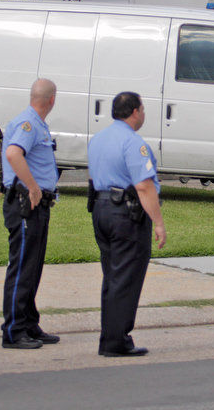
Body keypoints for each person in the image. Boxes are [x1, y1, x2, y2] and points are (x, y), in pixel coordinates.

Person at [87, 91, 166, 357]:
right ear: (134, 112)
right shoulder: (134, 143)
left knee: (112, 276)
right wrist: (158, 222)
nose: (143, 114)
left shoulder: (98, 139)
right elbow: (144, 186)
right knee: (126, 278)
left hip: (100, 209)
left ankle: (110, 336)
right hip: (126, 215)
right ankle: (116, 341)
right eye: (142, 109)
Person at [0, 78, 61, 349]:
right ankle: (13, 330)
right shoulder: (28, 124)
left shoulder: (36, 124)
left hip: (38, 205)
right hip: (26, 204)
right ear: (52, 99)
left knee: (32, 267)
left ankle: (28, 323)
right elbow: (14, 154)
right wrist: (33, 187)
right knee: (23, 267)